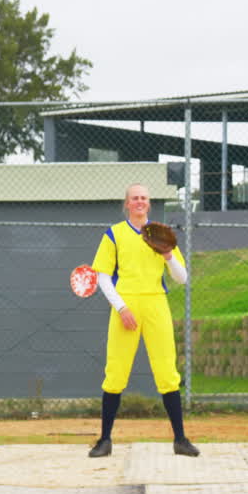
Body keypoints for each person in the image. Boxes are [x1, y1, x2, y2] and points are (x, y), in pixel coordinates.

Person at [87, 183, 199, 458]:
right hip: (125, 304)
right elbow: (101, 276)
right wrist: (122, 307)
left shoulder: (160, 234)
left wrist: (169, 255)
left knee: (166, 371)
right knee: (116, 371)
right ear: (127, 204)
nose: (139, 202)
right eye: (134, 198)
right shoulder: (114, 234)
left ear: (149, 204)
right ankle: (105, 440)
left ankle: (180, 440)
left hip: (155, 302)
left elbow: (182, 278)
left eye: (144, 198)